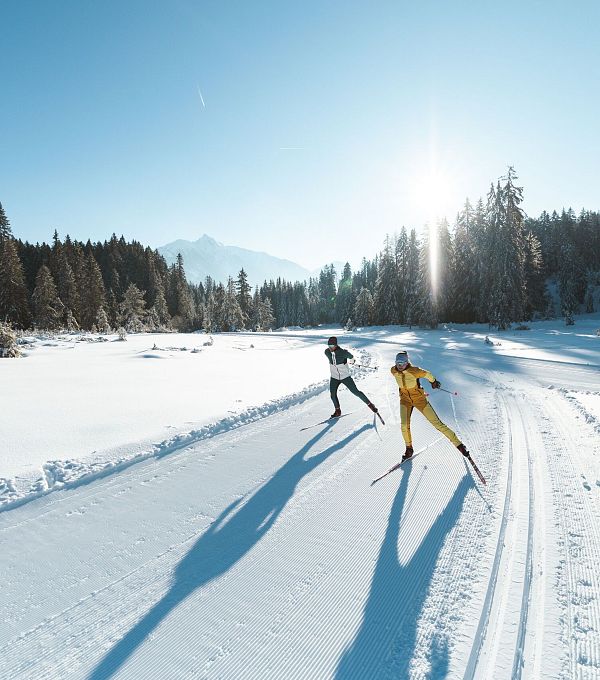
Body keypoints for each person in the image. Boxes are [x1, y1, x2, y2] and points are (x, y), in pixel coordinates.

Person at [390, 350, 470, 461]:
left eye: (402, 363)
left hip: (419, 400)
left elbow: (427, 374)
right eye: (397, 363)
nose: (400, 366)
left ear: (407, 362)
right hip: (405, 401)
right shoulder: (393, 371)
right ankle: (409, 448)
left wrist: (433, 382)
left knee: (437, 424)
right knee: (404, 425)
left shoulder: (415, 371)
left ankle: (459, 445)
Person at [325, 336, 378, 418]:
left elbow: (352, 357)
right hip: (334, 377)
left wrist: (351, 361)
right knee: (332, 394)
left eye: (332, 346)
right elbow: (332, 358)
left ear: (336, 345)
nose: (330, 348)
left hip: (345, 377)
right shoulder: (326, 352)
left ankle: (370, 404)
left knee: (356, 392)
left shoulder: (343, 352)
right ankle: (337, 410)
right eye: (329, 346)